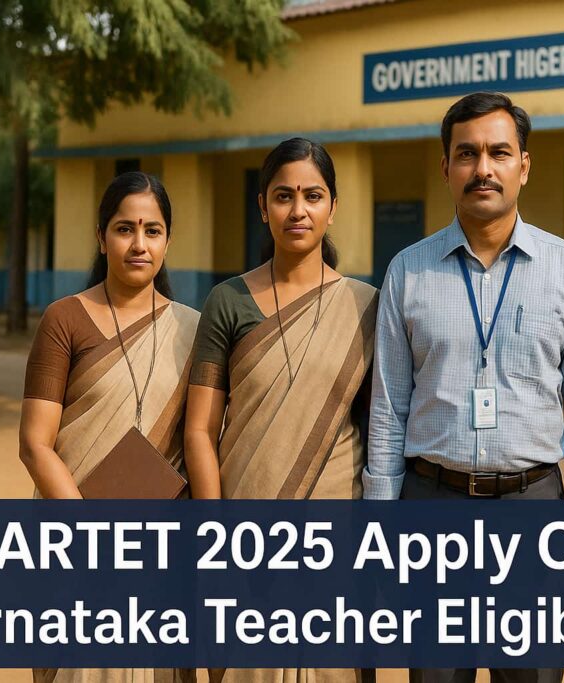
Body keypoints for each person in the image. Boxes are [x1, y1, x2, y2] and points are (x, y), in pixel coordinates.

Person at [365, 91, 564, 683]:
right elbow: (388, 408)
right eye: (467, 154)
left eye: (499, 153)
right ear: (445, 167)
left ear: (524, 166)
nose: (483, 168)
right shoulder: (408, 271)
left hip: (534, 509)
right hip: (432, 507)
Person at [184, 138, 378, 683]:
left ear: (332, 207)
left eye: (313, 196)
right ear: (262, 206)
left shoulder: (365, 306)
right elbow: (199, 429)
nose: (298, 210)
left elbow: (377, 430)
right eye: (283, 196)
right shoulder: (228, 301)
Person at [18, 171, 199, 683]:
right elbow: (34, 444)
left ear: (167, 240)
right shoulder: (65, 319)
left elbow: (200, 441)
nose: (139, 244)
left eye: (152, 230)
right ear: (101, 238)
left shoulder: (192, 329)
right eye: (124, 229)